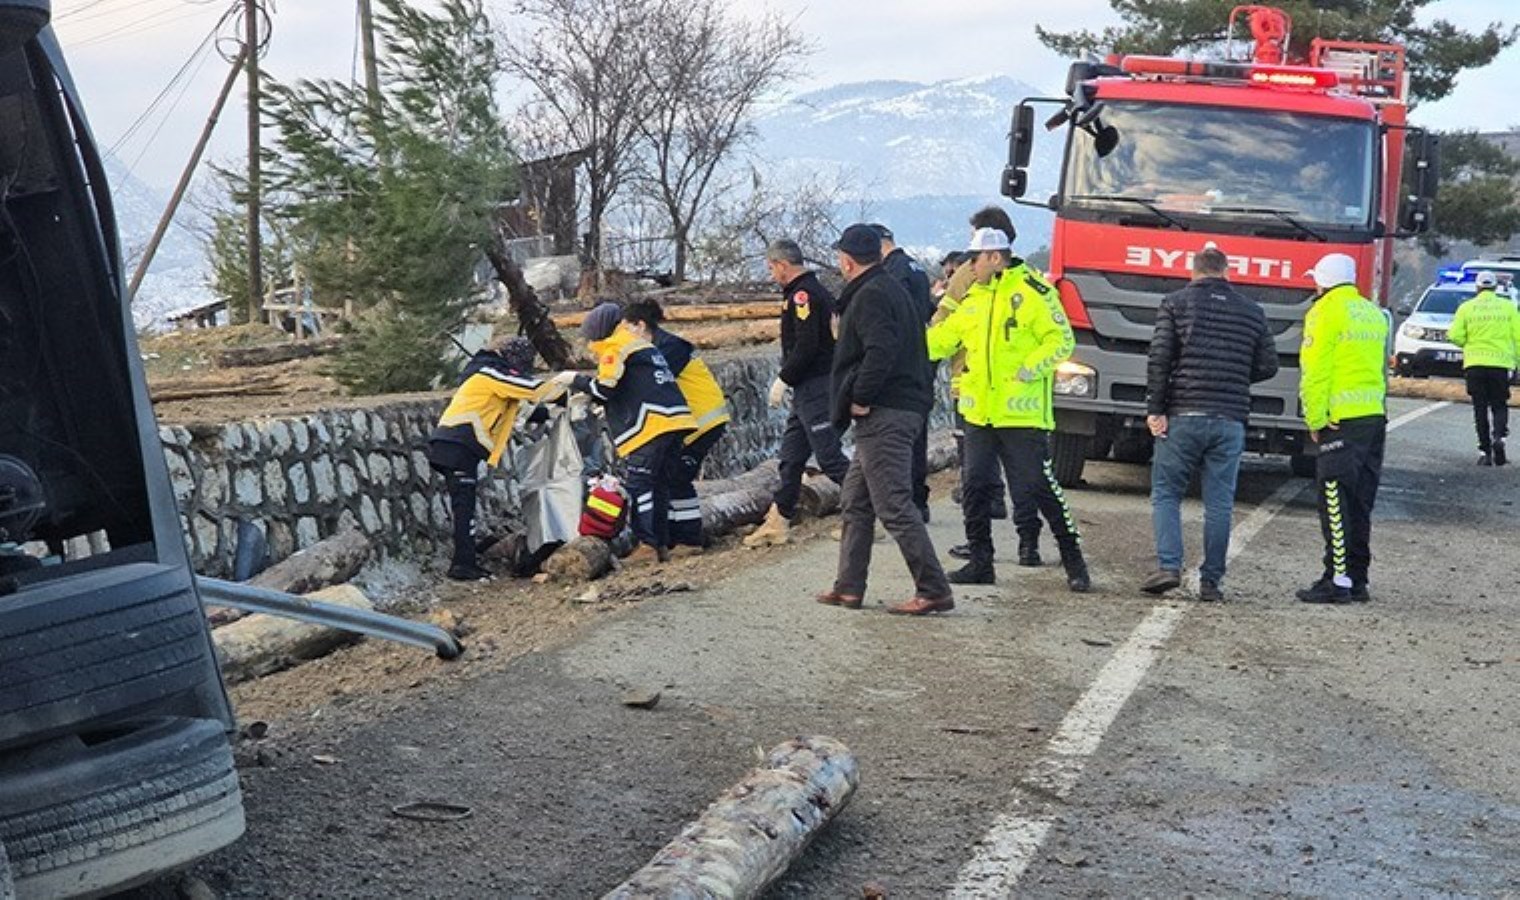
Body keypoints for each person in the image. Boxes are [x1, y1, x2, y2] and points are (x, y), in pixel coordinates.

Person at [927, 227, 1092, 592]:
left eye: (975, 259)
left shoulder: (1034, 291)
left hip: (1021, 414)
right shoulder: (975, 297)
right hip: (979, 413)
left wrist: (1029, 369)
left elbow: (1061, 340)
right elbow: (942, 341)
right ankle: (980, 562)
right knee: (974, 486)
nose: (970, 266)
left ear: (995, 257)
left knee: (1039, 487)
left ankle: (1073, 560)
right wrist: (906, 335)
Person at [817, 223, 953, 616]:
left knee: (893, 504)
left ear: (846, 261)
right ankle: (849, 585)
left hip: (886, 412)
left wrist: (860, 396)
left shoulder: (872, 294)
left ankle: (933, 588)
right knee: (855, 501)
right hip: (898, 408)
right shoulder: (888, 287)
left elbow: (881, 350)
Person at [1141, 245, 1279, 601]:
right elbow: (1269, 365)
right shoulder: (1252, 311)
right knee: (1219, 502)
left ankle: (1169, 567)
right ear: (1227, 271)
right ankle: (1211, 581)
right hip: (1230, 418)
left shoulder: (1175, 303)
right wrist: (1235, 377)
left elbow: (1159, 359)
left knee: (1166, 492)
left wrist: (1155, 409)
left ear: (1193, 271)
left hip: (1182, 414)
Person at [554, 302, 696, 564]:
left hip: (651, 424)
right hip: (675, 420)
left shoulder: (615, 346)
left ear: (599, 332)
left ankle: (647, 546)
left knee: (640, 484)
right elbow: (629, 385)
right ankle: (662, 543)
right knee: (660, 484)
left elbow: (606, 388)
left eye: (589, 339)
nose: (589, 347)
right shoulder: (641, 345)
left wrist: (575, 380)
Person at [1295, 253, 1389, 604]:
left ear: (1323, 281)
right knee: (1361, 502)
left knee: (1334, 499)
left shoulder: (1324, 312)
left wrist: (1315, 418)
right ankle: (1357, 578)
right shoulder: (1372, 312)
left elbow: (1315, 370)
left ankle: (1337, 580)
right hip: (1373, 416)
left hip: (1341, 419)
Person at [745, 239, 852, 548]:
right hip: (806, 388)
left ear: (782, 265)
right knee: (791, 458)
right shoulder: (805, 291)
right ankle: (779, 519)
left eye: (771, 268)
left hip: (816, 385)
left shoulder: (804, 295)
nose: (772, 275)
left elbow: (807, 345)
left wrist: (784, 378)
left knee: (829, 456)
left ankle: (865, 513)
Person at [427, 337, 551, 581]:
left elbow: (520, 410)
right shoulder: (491, 373)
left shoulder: (485, 373)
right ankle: (462, 565)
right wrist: (573, 386)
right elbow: (533, 389)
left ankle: (466, 558)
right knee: (464, 506)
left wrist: (548, 411)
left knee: (465, 504)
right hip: (458, 444)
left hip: (456, 444)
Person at [623, 299, 730, 553]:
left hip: (702, 421)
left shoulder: (668, 349)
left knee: (678, 478)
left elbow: (648, 383)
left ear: (640, 325)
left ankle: (689, 539)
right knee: (667, 478)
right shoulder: (661, 346)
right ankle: (669, 538)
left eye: (626, 328)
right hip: (691, 422)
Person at [874, 223, 935, 523]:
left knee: (898, 439)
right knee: (917, 435)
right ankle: (917, 500)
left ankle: (905, 503)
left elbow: (893, 316)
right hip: (922, 356)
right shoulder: (915, 267)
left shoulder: (893, 271)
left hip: (903, 362)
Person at [1448, 270, 1520, 466]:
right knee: (1499, 404)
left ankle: (1485, 451)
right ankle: (1499, 437)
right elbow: (1518, 336)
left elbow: (1454, 335)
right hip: (1500, 364)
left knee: (1479, 407)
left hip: (1475, 364)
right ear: (1495, 287)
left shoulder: (1466, 308)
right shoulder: (1508, 307)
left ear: (1477, 287)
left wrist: (1467, 343)